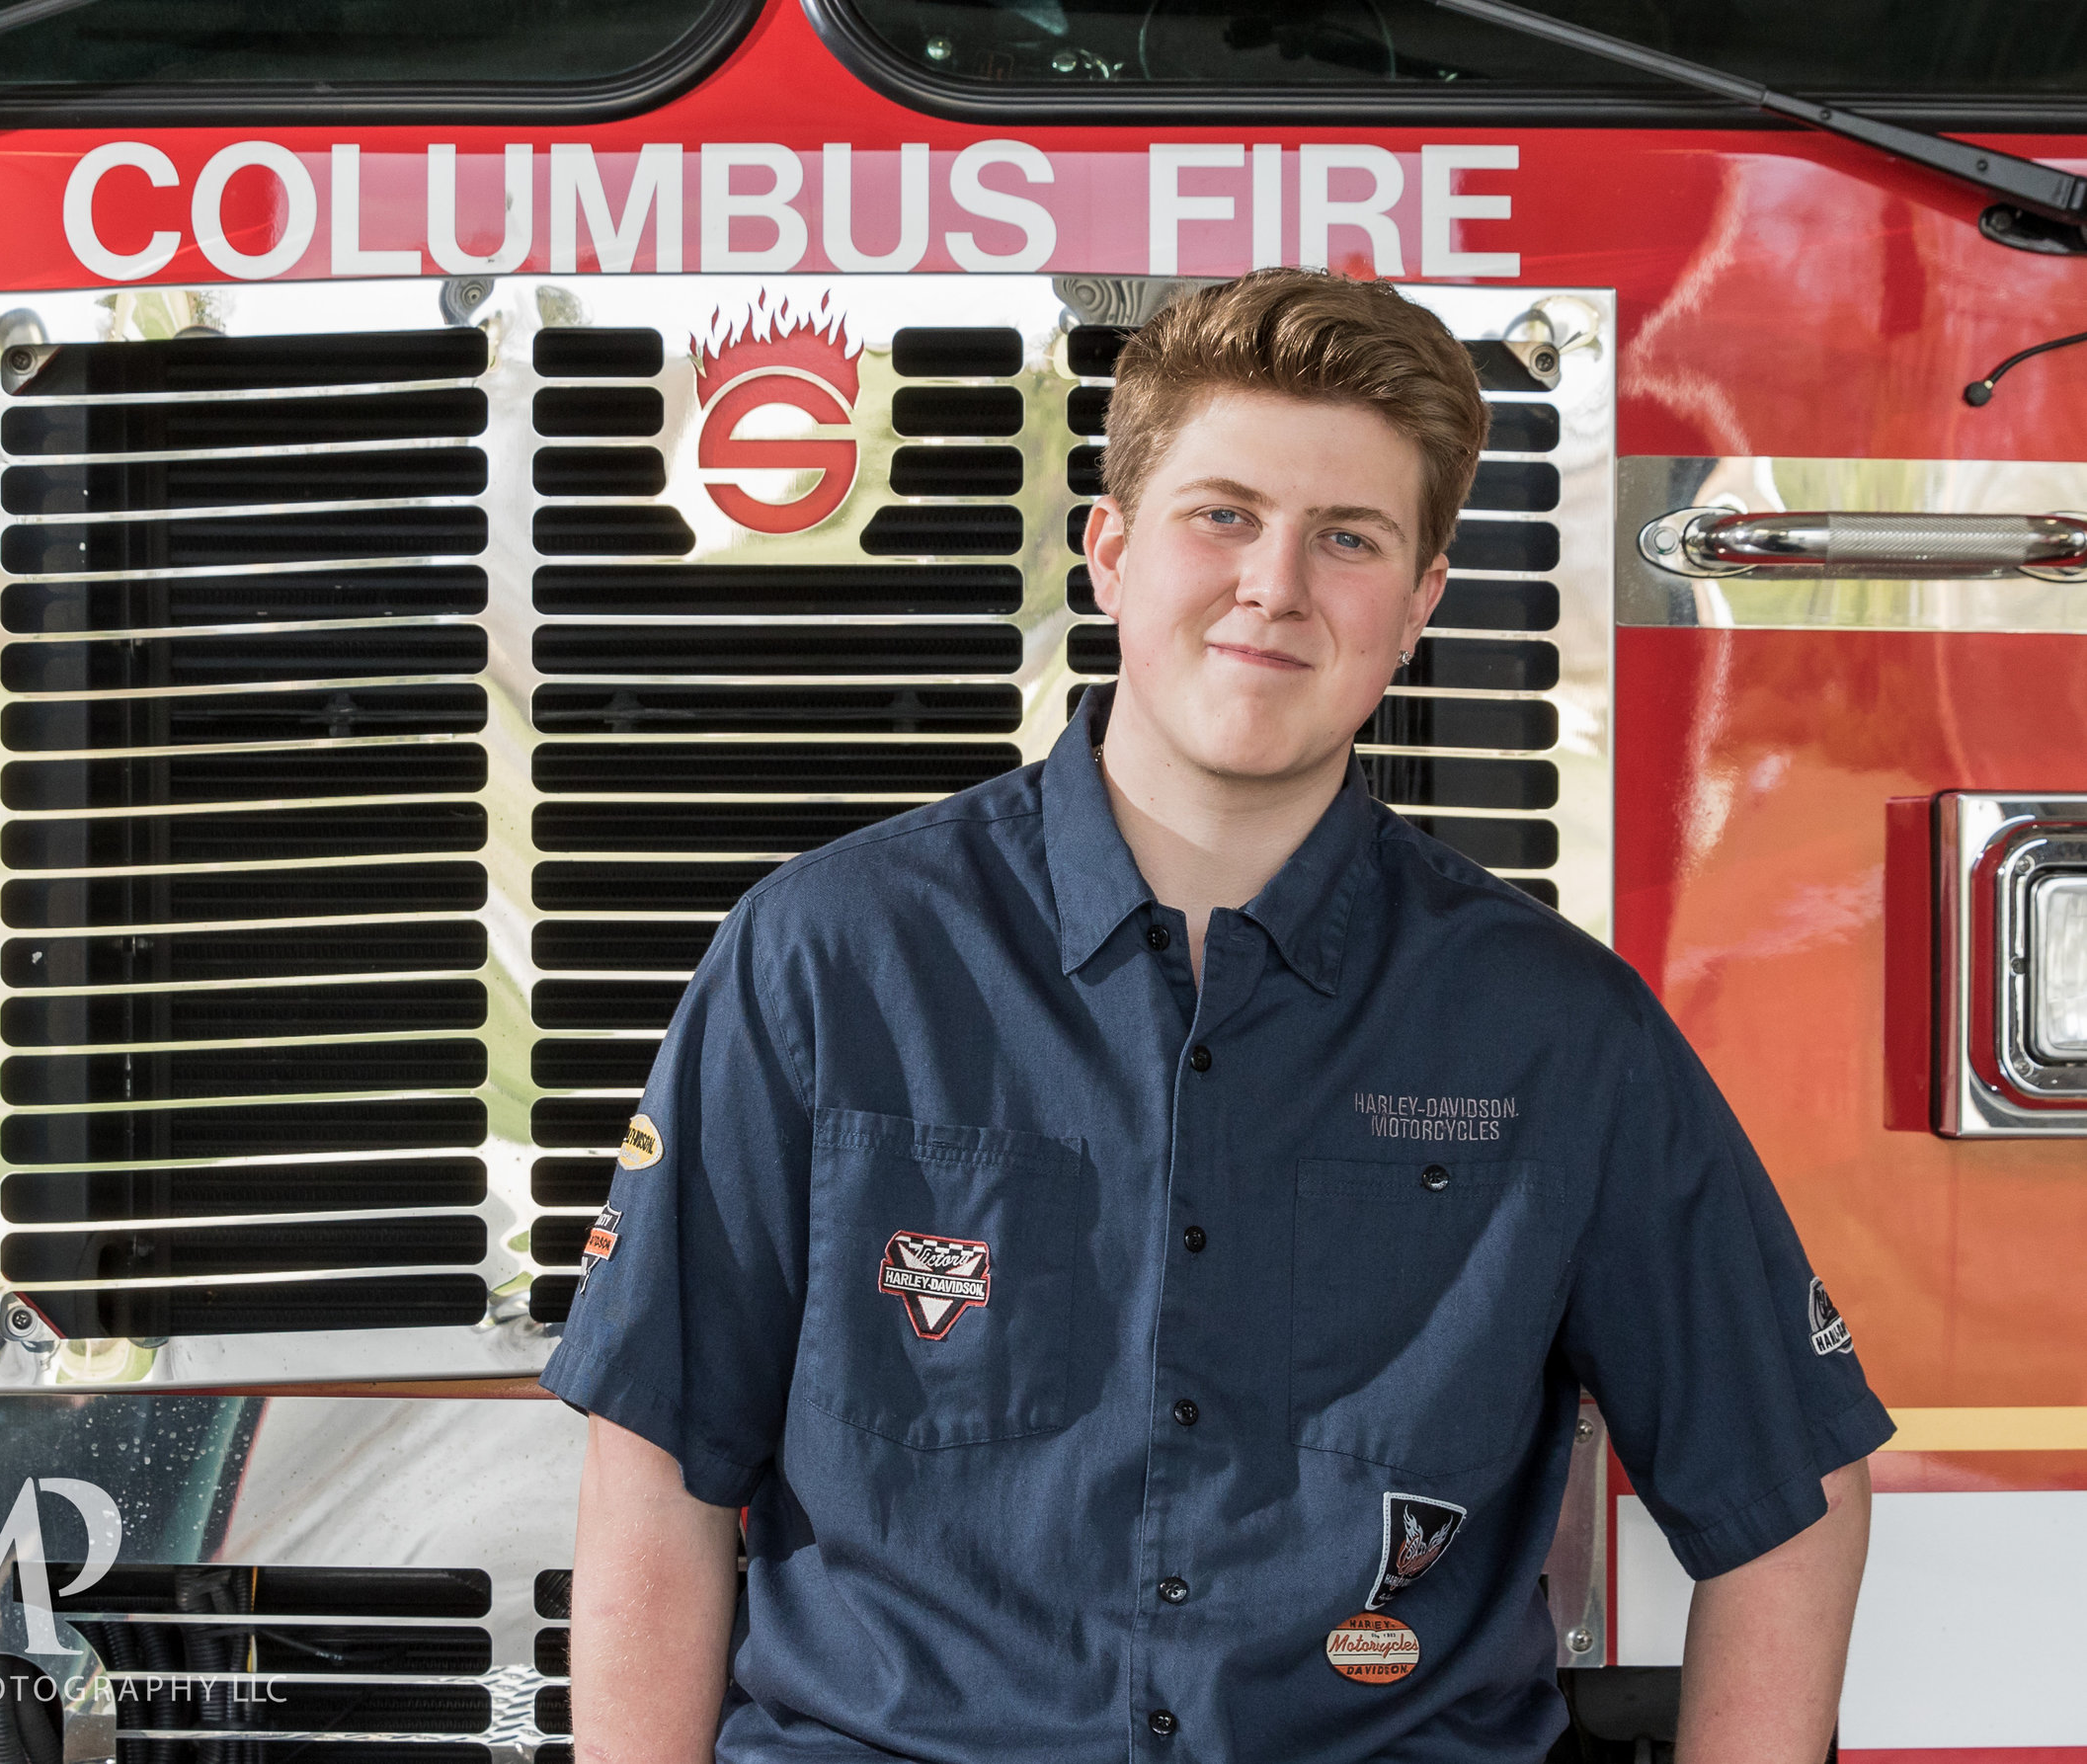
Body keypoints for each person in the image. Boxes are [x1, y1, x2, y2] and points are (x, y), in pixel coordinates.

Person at [538, 268, 1890, 1763]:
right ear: (1111, 551)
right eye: (1223, 513)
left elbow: (1794, 1496)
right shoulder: (825, 960)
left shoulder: (1558, 1033)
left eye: (1350, 538)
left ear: (1423, 603)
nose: (1276, 583)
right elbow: (658, 1466)